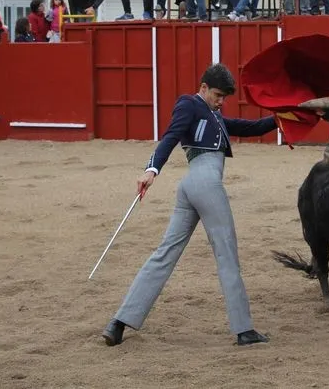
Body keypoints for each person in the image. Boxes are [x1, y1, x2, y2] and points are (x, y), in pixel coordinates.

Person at [102, 63, 278, 348]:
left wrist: (283, 117)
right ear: (203, 87)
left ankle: (118, 323)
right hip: (206, 184)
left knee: (165, 252)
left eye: (224, 98)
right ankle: (244, 330)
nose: (220, 102)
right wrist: (152, 169)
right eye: (217, 95)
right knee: (226, 252)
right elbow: (171, 135)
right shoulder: (189, 104)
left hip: (190, 188)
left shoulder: (213, 114)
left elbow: (250, 127)